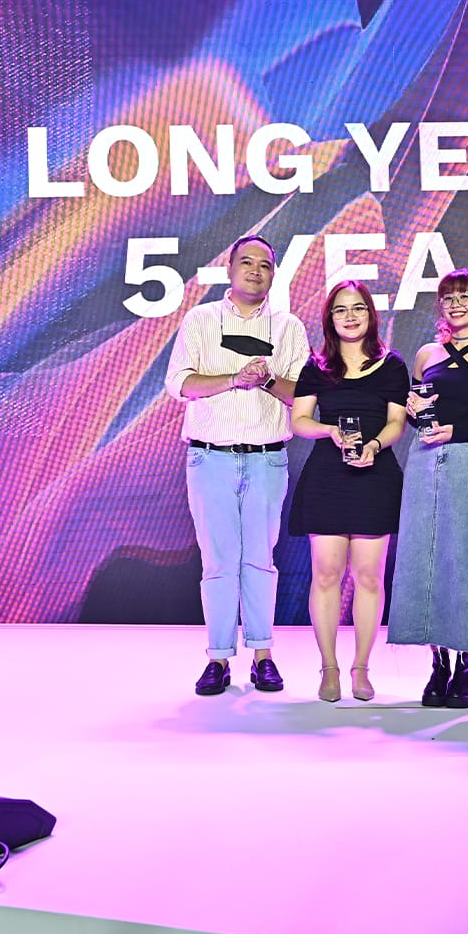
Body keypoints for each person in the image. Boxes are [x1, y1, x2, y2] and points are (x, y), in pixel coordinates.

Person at [164, 235, 310, 696]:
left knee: (260, 560)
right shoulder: (201, 319)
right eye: (246, 262)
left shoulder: (288, 327)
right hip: (210, 457)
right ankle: (219, 658)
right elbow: (179, 384)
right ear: (229, 269)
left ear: (273, 274)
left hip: (266, 458)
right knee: (219, 561)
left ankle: (263, 655)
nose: (255, 271)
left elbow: (302, 396)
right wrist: (233, 378)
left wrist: (264, 379)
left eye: (264, 265)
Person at [387, 270, 468, 707]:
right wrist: (414, 409)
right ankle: (438, 663)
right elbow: (418, 415)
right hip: (423, 462)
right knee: (424, 557)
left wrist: (458, 431)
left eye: (466, 296)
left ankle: (465, 664)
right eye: (448, 297)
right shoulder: (427, 353)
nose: (456, 304)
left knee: (463, 559)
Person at [289, 281, 408, 703]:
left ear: (370, 315)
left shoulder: (391, 365)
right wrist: (329, 431)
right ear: (330, 318)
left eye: (358, 308)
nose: (350, 316)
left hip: (375, 477)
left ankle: (361, 667)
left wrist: (373, 445)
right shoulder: (316, 366)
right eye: (341, 309)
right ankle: (329, 667)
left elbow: (397, 423)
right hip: (328, 477)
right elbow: (299, 420)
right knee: (326, 574)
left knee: (369, 577)